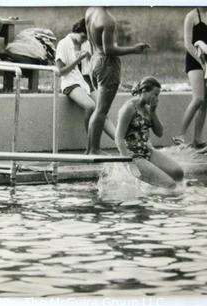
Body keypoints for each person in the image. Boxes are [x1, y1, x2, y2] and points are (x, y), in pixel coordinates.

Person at [85, 7, 149, 154]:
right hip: (107, 64)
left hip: (94, 60)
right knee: (101, 110)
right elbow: (109, 50)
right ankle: (94, 150)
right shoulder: (108, 20)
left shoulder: (91, 11)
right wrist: (134, 49)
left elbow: (93, 41)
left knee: (98, 110)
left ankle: (89, 149)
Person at [55, 18, 116, 152]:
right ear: (77, 30)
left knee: (102, 110)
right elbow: (59, 72)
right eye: (83, 36)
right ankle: (91, 148)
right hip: (70, 82)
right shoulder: (63, 44)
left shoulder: (85, 43)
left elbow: (90, 69)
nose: (84, 40)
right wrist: (78, 59)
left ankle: (121, 143)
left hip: (85, 81)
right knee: (90, 106)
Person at [115, 76, 184, 188]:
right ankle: (160, 201)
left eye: (158, 95)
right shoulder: (129, 108)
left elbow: (159, 133)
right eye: (155, 94)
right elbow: (118, 138)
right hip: (133, 156)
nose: (156, 98)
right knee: (169, 185)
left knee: (178, 173)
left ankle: (157, 192)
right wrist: (129, 163)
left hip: (147, 151)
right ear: (144, 91)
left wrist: (153, 112)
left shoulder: (147, 108)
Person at [172, 8, 207, 149]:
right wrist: (202, 63)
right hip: (195, 61)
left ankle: (197, 139)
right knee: (198, 98)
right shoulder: (191, 16)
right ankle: (179, 135)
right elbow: (187, 44)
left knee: (205, 103)